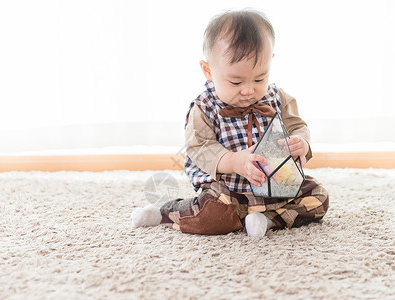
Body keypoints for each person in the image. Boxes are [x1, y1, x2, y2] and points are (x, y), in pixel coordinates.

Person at [131, 9, 329, 237]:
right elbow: (199, 149)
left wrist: (301, 142)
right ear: (208, 70)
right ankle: (165, 213)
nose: (248, 90)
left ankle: (267, 220)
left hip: (277, 184)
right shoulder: (204, 107)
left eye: (259, 78)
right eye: (235, 81)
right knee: (211, 216)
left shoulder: (278, 98)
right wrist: (234, 161)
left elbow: (297, 125)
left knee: (318, 198)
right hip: (228, 190)